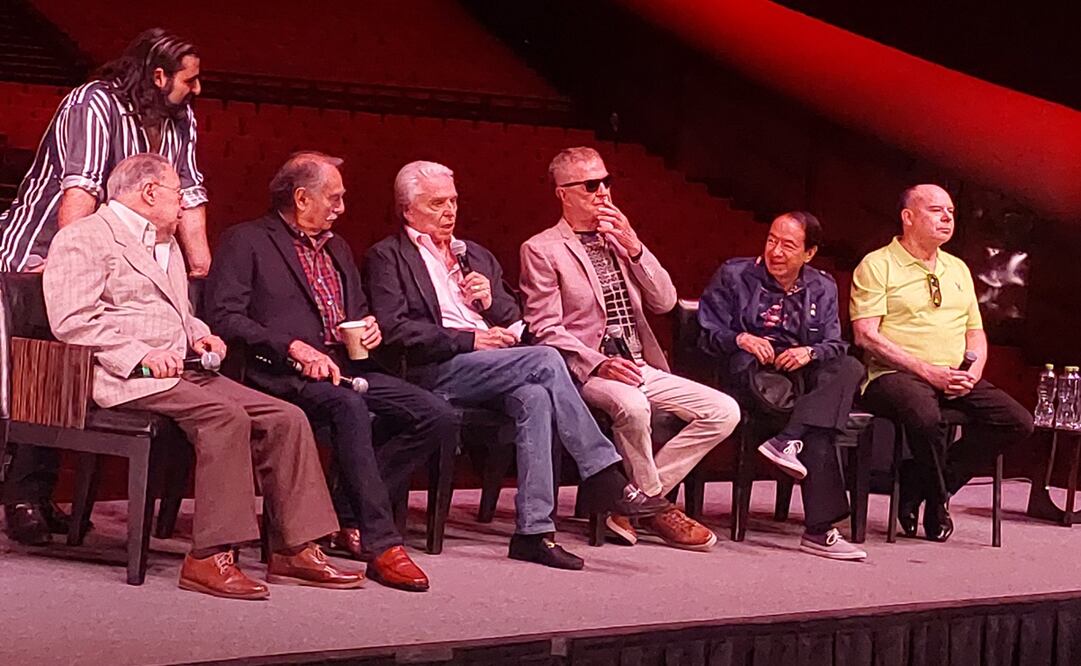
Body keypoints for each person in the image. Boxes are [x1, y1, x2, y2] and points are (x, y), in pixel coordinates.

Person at [41, 154, 361, 599]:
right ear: (149, 192)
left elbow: (176, 312)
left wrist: (200, 335)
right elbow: (73, 321)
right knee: (224, 416)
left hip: (183, 372)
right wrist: (141, 355)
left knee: (286, 417)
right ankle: (209, 557)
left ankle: (294, 548)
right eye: (180, 194)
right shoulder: (84, 238)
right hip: (123, 375)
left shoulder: (165, 243)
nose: (185, 204)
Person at [364, 160, 670, 570]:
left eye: (453, 201)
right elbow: (394, 329)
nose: (450, 211)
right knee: (545, 361)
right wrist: (470, 338)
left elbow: (517, 317)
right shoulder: (388, 257)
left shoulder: (473, 254)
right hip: (435, 369)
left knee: (535, 397)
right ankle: (601, 472)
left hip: (494, 366)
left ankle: (534, 532)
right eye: (437, 204)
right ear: (408, 211)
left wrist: (490, 303)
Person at [206, 152, 455, 592]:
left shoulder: (338, 247)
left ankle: (341, 509)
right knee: (348, 406)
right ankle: (382, 544)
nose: (342, 208)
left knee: (436, 414)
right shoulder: (245, 241)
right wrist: (291, 347)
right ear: (302, 199)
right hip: (279, 374)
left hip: (344, 365)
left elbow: (354, 312)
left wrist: (369, 327)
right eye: (334, 198)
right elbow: (225, 316)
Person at [0, 28, 212, 540]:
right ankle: (22, 495)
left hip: (110, 255)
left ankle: (44, 493)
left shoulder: (179, 116)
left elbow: (189, 186)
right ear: (158, 76)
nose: (198, 89)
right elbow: (82, 188)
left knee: (77, 380)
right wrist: (72, 264)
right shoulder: (94, 104)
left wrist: (198, 258)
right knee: (45, 378)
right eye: (190, 79)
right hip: (41, 252)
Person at [519, 147, 737, 551]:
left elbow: (665, 301)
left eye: (606, 182)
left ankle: (634, 500)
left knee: (724, 411)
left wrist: (635, 247)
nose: (602, 192)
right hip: (585, 370)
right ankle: (658, 507)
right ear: (563, 193)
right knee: (633, 406)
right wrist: (600, 363)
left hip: (638, 363)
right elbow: (545, 329)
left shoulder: (619, 239)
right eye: (590, 185)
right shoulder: (542, 249)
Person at [850, 184, 1033, 541]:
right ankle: (936, 504)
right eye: (936, 210)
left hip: (952, 373)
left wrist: (971, 374)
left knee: (1016, 422)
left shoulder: (958, 268)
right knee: (924, 415)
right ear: (908, 217)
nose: (947, 217)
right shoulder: (877, 265)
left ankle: (919, 486)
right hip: (894, 374)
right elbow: (866, 335)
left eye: (950, 211)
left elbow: (975, 334)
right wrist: (926, 371)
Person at [699, 212, 866, 560]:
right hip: (753, 371)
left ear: (809, 253)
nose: (775, 251)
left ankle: (789, 437)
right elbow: (705, 335)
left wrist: (809, 352)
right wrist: (741, 338)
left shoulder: (823, 285)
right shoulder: (735, 275)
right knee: (820, 422)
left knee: (848, 367)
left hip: (800, 373)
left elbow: (836, 344)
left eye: (788, 245)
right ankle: (820, 531)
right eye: (772, 240)